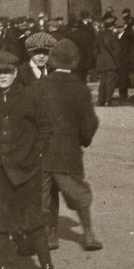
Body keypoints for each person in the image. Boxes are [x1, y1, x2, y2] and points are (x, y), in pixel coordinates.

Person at [0, 49, 68, 269]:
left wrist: (36, 154)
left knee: (35, 223)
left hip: (26, 171)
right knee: (0, 225)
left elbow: (45, 128)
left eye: (7, 72)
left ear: (14, 73)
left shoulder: (29, 97)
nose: (2, 77)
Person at [38, 39, 103, 252]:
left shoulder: (39, 86)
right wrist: (82, 140)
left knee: (44, 194)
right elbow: (90, 123)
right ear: (74, 62)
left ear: (51, 61)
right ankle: (88, 233)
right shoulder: (80, 88)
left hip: (43, 151)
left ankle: (50, 236)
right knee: (77, 191)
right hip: (68, 151)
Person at [94, 13, 120, 106]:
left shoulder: (99, 35)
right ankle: (107, 100)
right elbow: (116, 51)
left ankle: (100, 100)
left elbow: (95, 49)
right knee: (110, 82)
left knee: (103, 81)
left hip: (101, 61)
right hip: (111, 62)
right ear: (112, 26)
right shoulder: (113, 36)